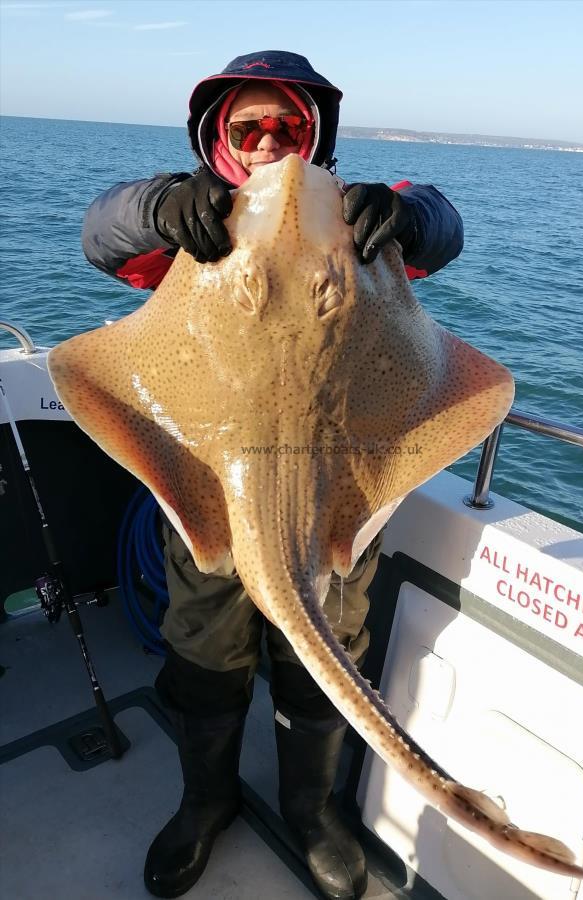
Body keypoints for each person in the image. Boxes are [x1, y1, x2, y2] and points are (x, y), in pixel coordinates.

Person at [82, 50, 463, 900]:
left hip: (340, 494)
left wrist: (402, 215)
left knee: (323, 652)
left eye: (288, 126)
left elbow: (443, 222)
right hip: (212, 492)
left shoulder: (355, 226)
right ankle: (204, 800)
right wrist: (156, 207)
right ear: (218, 135)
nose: (268, 143)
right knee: (206, 651)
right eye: (247, 126)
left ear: (317, 134)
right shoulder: (191, 220)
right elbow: (100, 230)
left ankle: (311, 809)